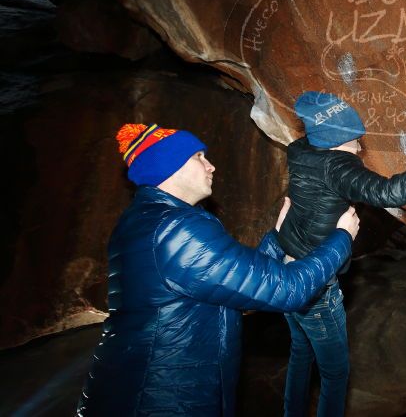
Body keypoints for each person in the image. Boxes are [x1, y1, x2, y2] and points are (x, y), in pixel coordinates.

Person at [76, 122, 360, 416]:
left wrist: (276, 238)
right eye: (199, 157)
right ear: (169, 166)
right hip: (162, 399)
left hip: (141, 392)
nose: (211, 166)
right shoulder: (176, 230)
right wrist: (341, 238)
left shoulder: (147, 221)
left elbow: (229, 283)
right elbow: (288, 291)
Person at [278, 91, 406, 417]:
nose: (360, 147)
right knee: (335, 373)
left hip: (286, 261)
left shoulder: (299, 150)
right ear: (336, 139)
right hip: (314, 283)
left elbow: (300, 195)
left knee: (300, 351)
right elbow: (387, 191)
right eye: (353, 140)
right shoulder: (339, 168)